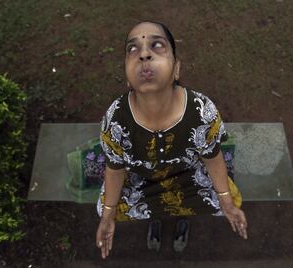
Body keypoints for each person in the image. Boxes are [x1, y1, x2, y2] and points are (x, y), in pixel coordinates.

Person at [95, 21, 248, 259]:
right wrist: (107, 214)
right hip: (141, 181)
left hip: (188, 176)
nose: (144, 54)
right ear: (127, 75)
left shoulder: (201, 111)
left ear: (177, 69)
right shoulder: (115, 119)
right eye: (132, 50)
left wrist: (226, 201)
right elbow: (115, 169)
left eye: (157, 46)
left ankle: (181, 219)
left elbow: (212, 156)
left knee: (229, 198)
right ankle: (156, 217)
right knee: (106, 207)